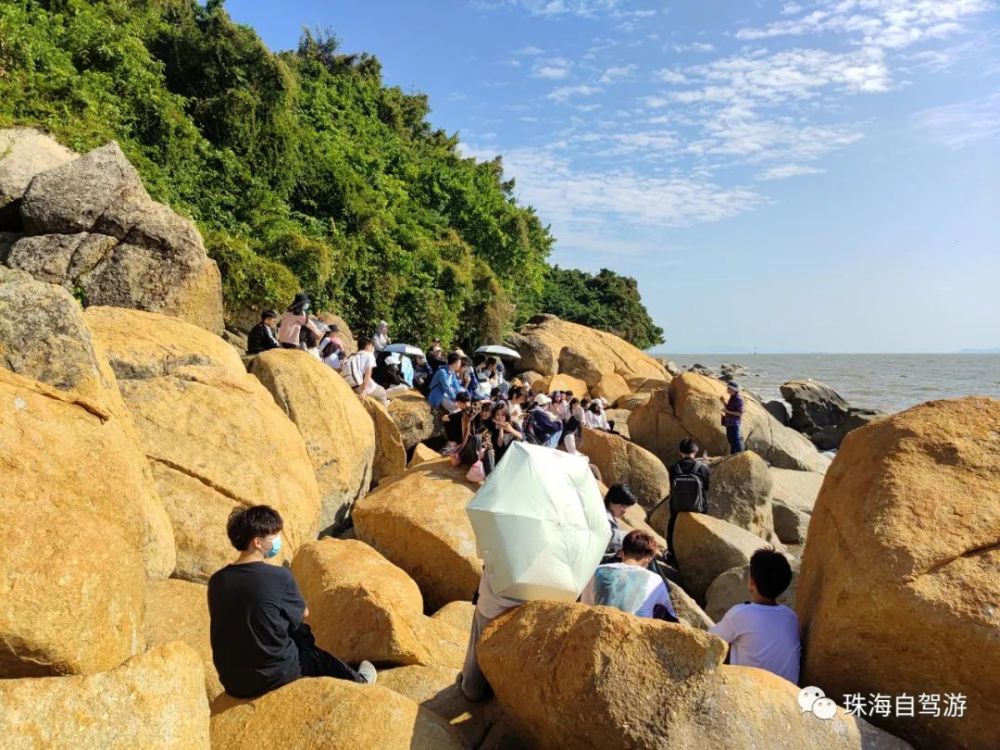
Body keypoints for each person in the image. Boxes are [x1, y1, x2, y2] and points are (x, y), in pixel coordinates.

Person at [207, 505, 377, 698]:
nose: (277, 541)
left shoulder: (217, 580)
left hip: (234, 681)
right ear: (257, 542)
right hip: (274, 675)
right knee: (305, 642)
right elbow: (303, 613)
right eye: (273, 536)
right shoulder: (278, 577)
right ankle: (360, 682)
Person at [709, 548, 801, 684]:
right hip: (789, 692)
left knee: (726, 643)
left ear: (751, 582)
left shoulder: (740, 614)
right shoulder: (791, 617)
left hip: (750, 690)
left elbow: (710, 640)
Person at [581, 531, 678, 621]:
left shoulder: (599, 570)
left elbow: (585, 604)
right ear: (649, 558)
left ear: (622, 553)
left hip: (597, 624)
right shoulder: (655, 579)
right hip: (635, 631)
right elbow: (668, 615)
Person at [459, 570, 522, 701]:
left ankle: (472, 687)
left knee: (479, 639)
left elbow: (486, 553)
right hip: (547, 607)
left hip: (496, 603)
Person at [665, 438, 712, 566]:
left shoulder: (674, 468)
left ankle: (671, 551)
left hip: (677, 508)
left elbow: (672, 488)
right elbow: (706, 488)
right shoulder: (703, 468)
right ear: (695, 451)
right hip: (699, 508)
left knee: (672, 522)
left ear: (680, 452)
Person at [345, 337, 387, 405]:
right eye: (371, 346)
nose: (372, 348)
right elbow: (368, 372)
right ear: (367, 346)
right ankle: (385, 413)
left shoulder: (352, 356)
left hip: (350, 385)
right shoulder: (368, 355)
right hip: (360, 386)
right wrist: (364, 391)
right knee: (382, 392)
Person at [601, 484, 637, 564]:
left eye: (627, 507)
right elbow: (609, 536)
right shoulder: (603, 516)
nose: (625, 511)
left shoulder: (607, 513)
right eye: (623, 506)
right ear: (612, 500)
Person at [720, 382, 745, 454]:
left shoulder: (739, 399)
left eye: (728, 388)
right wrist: (723, 402)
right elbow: (729, 408)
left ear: (733, 389)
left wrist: (727, 412)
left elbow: (740, 414)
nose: (727, 389)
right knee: (731, 441)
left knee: (736, 441)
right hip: (729, 423)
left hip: (734, 424)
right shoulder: (732, 397)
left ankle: (740, 456)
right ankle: (732, 456)